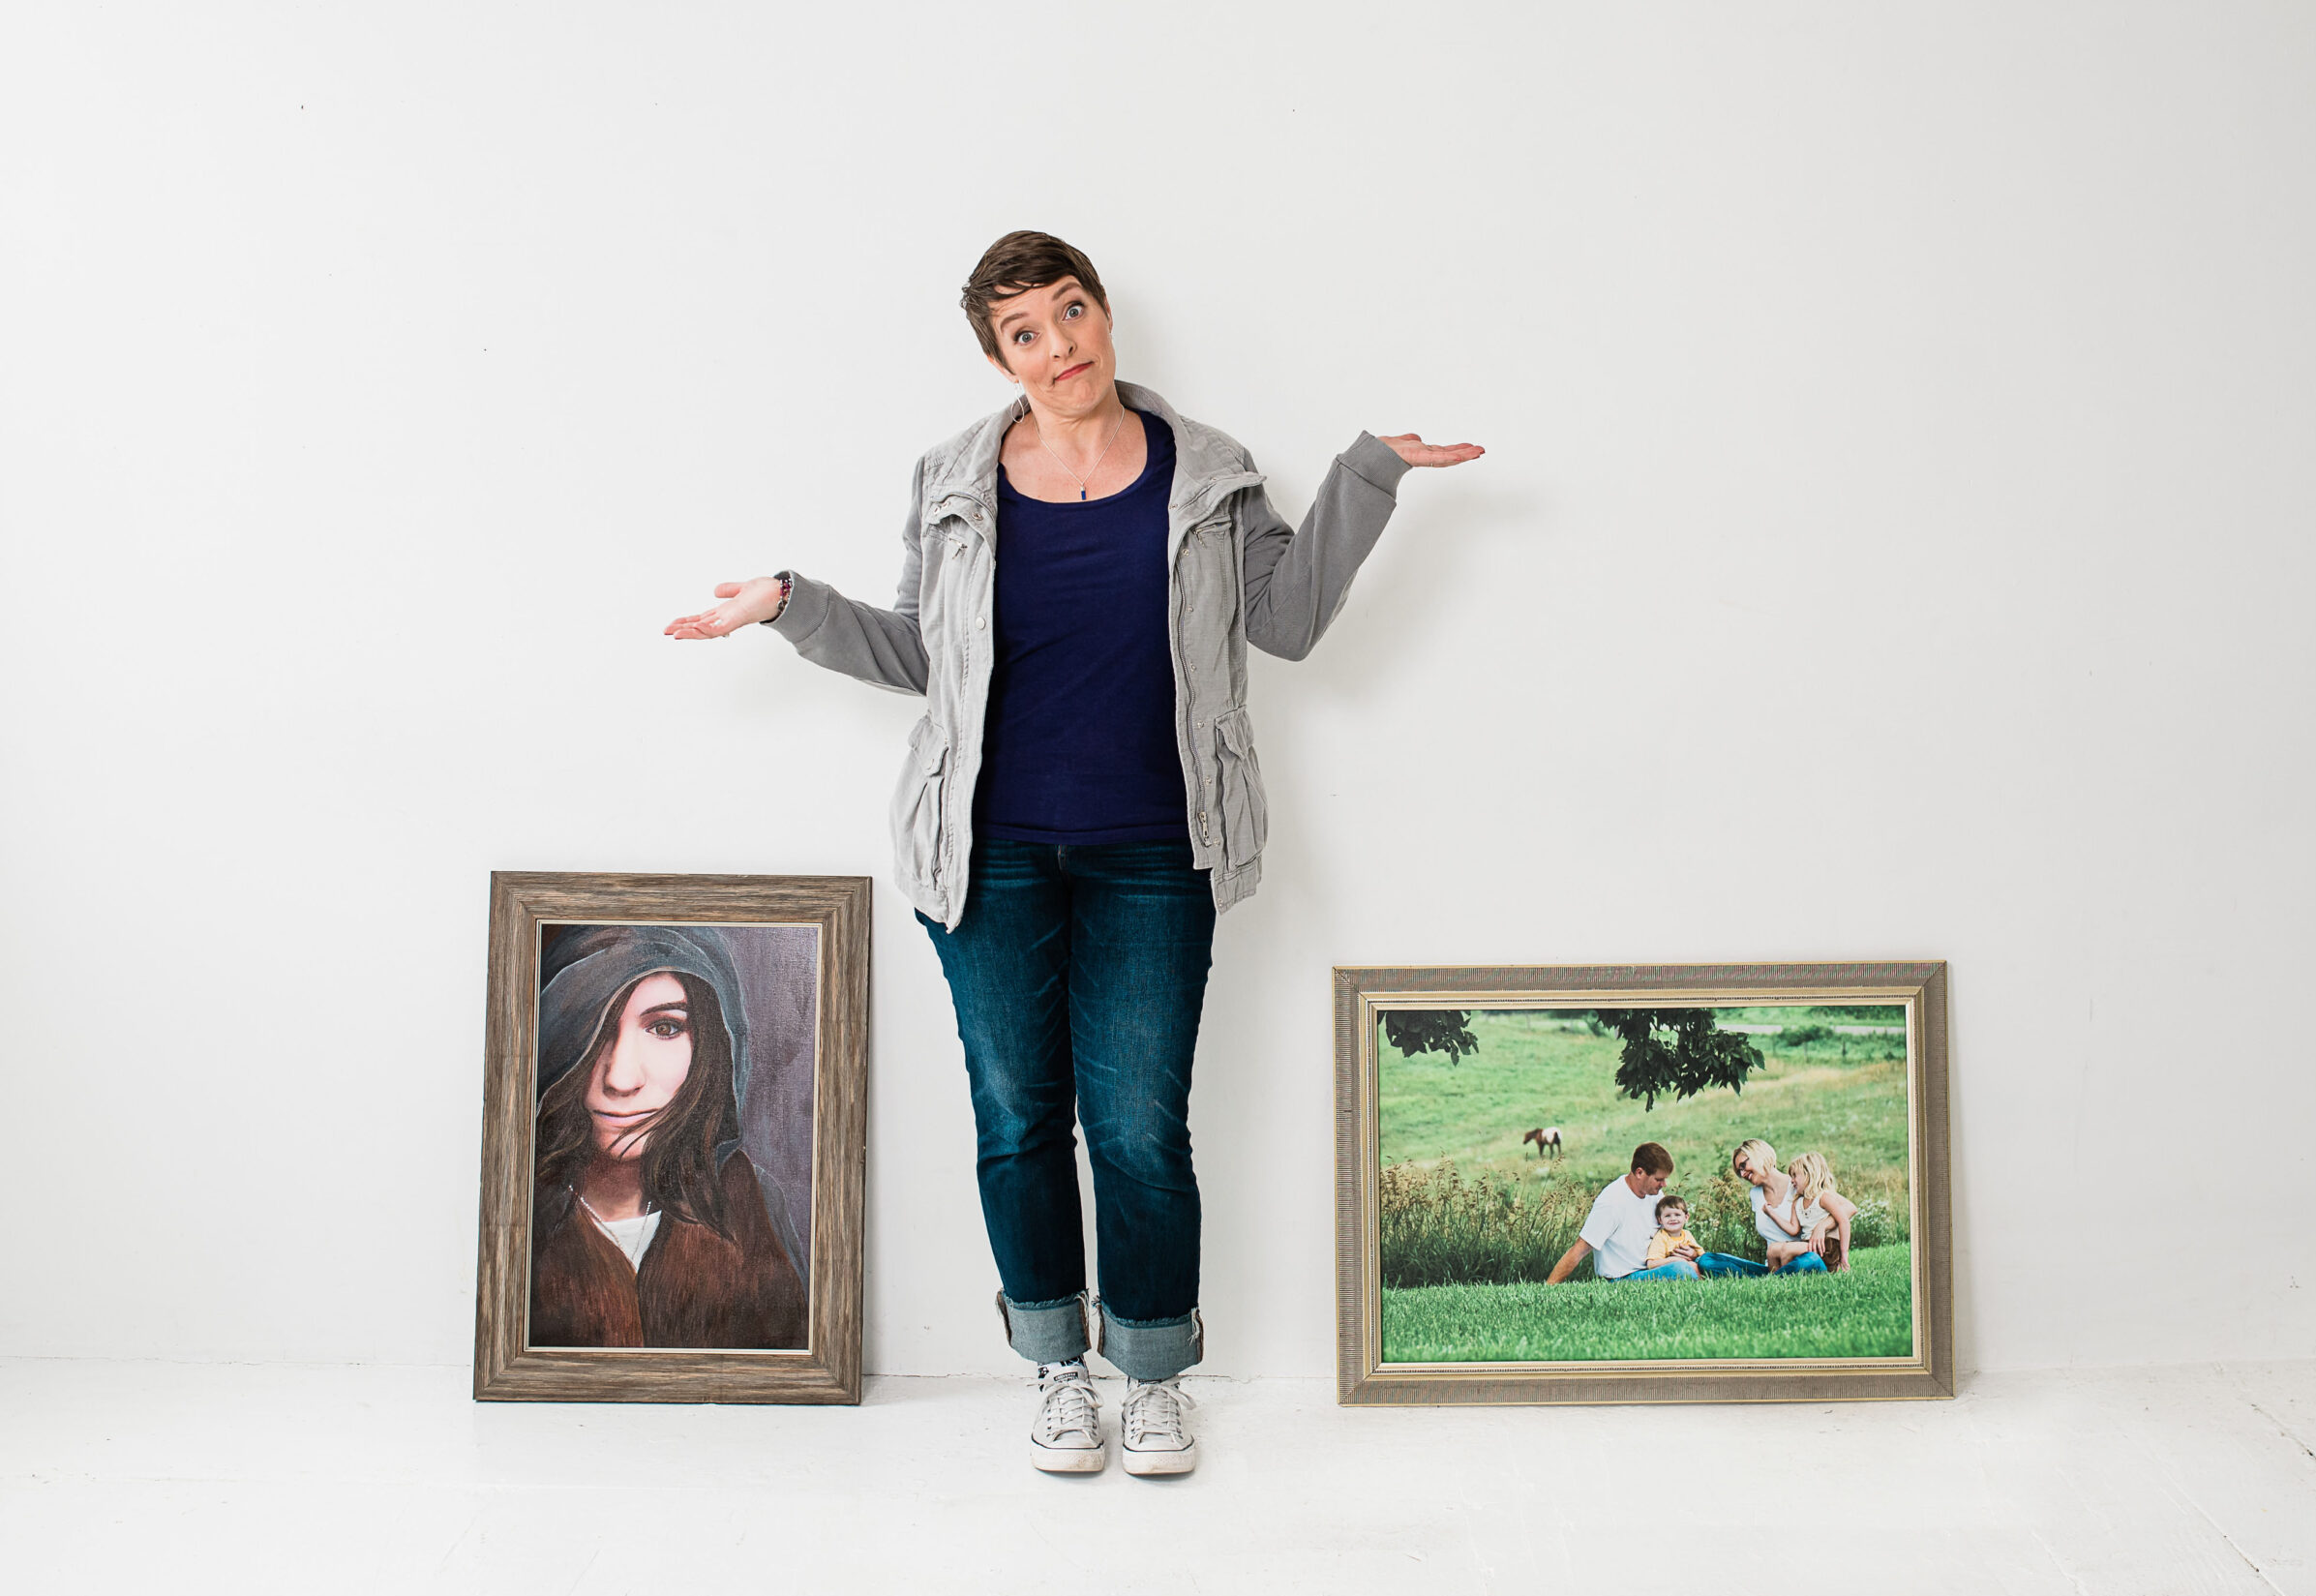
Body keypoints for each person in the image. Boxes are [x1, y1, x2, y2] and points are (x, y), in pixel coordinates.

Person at [664, 231, 1481, 1474]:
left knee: (1142, 1128)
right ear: (1002, 358)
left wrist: (1367, 476)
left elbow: (1289, 623)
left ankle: (1150, 1375)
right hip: (985, 854)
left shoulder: (1206, 472)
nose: (1061, 345)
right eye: (1027, 332)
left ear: (1104, 315)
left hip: (1157, 848)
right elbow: (923, 655)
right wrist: (791, 602)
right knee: (1017, 1115)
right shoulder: (952, 479)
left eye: (1072, 310)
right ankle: (1056, 1364)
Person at [528, 925, 809, 1349]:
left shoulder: (751, 1206)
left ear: (711, 1048)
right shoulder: (522, 1211)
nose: (621, 1079)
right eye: (594, 1027)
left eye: (664, 1028)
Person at [1546, 1143, 1675, 1282]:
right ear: (1639, 1173)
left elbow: (1669, 1234)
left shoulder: (1655, 1195)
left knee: (1701, 1259)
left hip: (1653, 1267)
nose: (1664, 1185)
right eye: (1659, 1179)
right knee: (1681, 1270)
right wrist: (1549, 1286)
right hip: (1623, 1277)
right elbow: (1580, 1249)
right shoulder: (1611, 1202)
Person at [1731, 1137, 1828, 1276]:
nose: (1742, 1174)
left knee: (1810, 1260)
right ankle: (1777, 1276)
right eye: (1739, 1172)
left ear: (1759, 1156)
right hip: (1773, 1265)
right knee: (1708, 1260)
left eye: (1743, 1166)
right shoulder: (1755, 1194)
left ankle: (1771, 1279)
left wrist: (1822, 1226)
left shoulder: (1799, 1184)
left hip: (1804, 1258)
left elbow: (1845, 1208)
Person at [1786, 1150, 1858, 1272]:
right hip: (1811, 1246)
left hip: (1825, 1249)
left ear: (1809, 1174)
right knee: (1780, 1250)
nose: (1791, 1181)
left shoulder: (1824, 1197)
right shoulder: (1799, 1201)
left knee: (1785, 1250)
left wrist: (1844, 1254)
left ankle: (1778, 1276)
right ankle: (1780, 1275)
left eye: (1795, 1175)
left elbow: (1846, 1217)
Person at [1639, 1193, 1703, 1280]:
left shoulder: (1687, 1234)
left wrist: (1696, 1256)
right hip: (1674, 1270)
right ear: (1660, 1220)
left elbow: (1702, 1255)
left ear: (1686, 1217)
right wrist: (1676, 1260)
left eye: (1677, 1215)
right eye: (1667, 1216)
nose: (1673, 1218)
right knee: (1683, 1267)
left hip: (1690, 1266)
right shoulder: (1661, 1237)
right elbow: (1651, 1264)